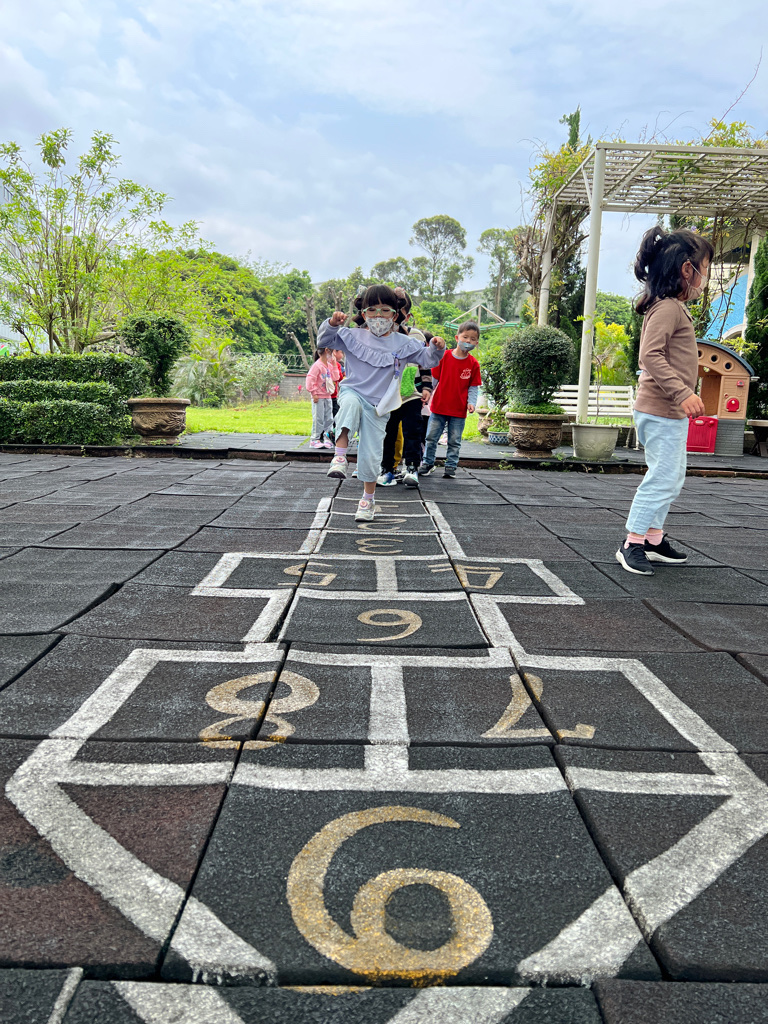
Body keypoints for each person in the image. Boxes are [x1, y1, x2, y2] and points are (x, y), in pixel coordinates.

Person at [615, 226, 714, 576]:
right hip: (661, 409)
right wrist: (683, 392)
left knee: (671, 476)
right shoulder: (668, 308)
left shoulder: (673, 307)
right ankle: (632, 543)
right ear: (688, 269)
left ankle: (653, 539)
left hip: (667, 411)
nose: (706, 278)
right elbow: (650, 355)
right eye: (705, 268)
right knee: (663, 477)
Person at [316, 284, 446, 521]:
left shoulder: (403, 343)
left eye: (385, 310)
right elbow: (324, 340)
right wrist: (332, 323)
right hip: (353, 391)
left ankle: (368, 500)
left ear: (395, 315)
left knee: (372, 453)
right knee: (350, 405)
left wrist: (437, 348)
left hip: (379, 406)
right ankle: (340, 456)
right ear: (363, 313)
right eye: (372, 310)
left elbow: (427, 359)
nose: (378, 316)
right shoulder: (351, 336)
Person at [378, 290, 431, 488]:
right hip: (388, 394)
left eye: (399, 312)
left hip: (411, 393)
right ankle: (387, 469)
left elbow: (424, 362)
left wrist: (427, 386)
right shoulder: (381, 335)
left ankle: (411, 467)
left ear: (406, 316)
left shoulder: (416, 335)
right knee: (388, 433)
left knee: (413, 431)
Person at [418, 321, 482, 479]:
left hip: (458, 410)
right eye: (465, 337)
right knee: (431, 437)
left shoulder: (473, 364)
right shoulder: (444, 357)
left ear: (476, 343)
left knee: (454, 440)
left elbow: (473, 387)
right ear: (457, 337)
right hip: (439, 407)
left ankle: (451, 465)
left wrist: (471, 403)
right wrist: (427, 393)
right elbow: (434, 379)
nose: (468, 341)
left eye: (472, 339)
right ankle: (427, 463)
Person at [305, 347, 340, 449]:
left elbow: (336, 377)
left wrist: (334, 365)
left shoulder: (329, 365)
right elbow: (310, 379)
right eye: (332, 352)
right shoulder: (317, 366)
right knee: (318, 418)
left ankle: (327, 438)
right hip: (318, 397)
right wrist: (314, 393)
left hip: (327, 395)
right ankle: (314, 439)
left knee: (329, 418)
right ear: (326, 351)